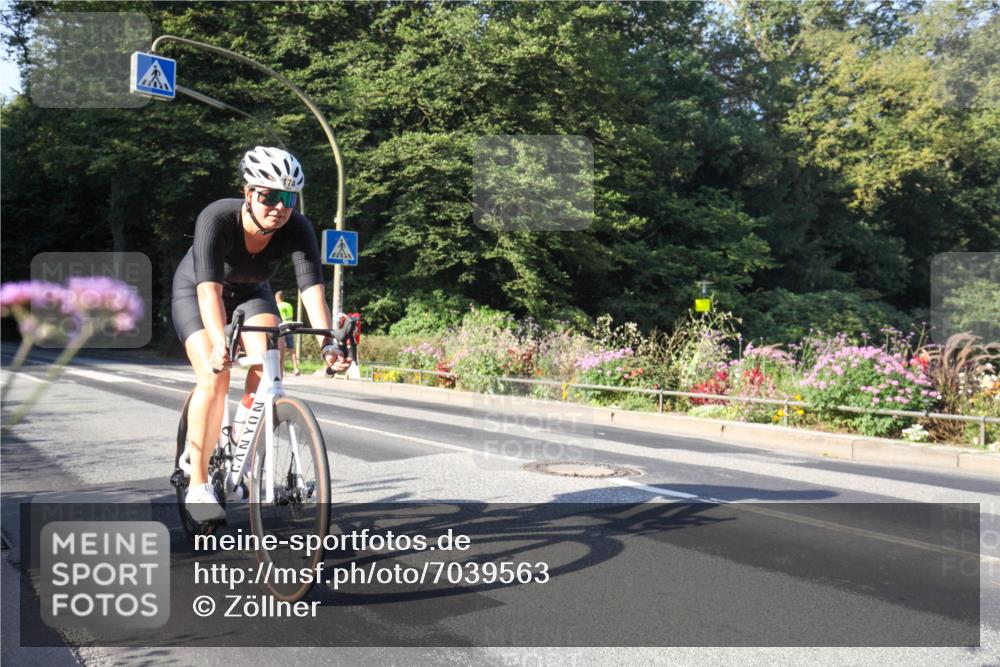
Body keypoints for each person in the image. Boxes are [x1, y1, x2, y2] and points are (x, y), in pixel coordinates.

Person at [171, 146, 351, 522]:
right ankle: (200, 485)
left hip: (253, 293)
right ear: (248, 192)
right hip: (198, 290)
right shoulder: (217, 219)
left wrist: (328, 344)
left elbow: (312, 293)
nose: (279, 206)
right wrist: (220, 342)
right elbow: (209, 292)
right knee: (214, 375)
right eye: (270, 196)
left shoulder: (297, 227)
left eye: (288, 197)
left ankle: (241, 442)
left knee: (270, 366)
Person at [274, 290, 300, 376]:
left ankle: (282, 370)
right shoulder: (289, 305)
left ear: (277, 298)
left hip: (282, 327)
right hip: (290, 327)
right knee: (292, 350)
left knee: (282, 349)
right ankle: (296, 368)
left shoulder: (277, 306)